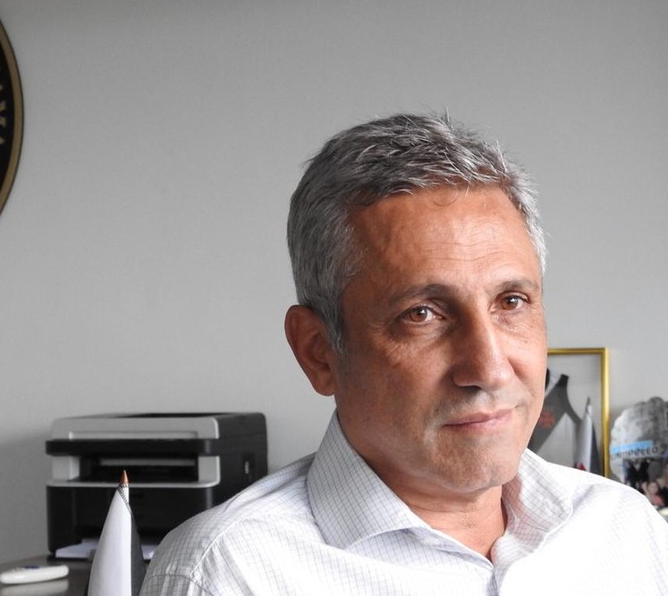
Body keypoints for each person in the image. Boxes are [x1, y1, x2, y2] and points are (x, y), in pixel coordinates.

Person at [141, 113, 668, 594]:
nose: (488, 369)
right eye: (422, 314)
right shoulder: (226, 572)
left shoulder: (626, 528)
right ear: (318, 352)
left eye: (511, 302)